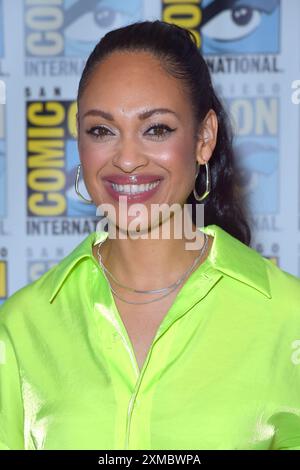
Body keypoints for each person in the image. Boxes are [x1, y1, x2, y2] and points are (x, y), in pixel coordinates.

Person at [1, 20, 300, 451]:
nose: (126, 159)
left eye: (156, 129)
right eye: (101, 130)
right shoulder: (21, 329)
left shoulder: (286, 318)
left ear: (204, 138)